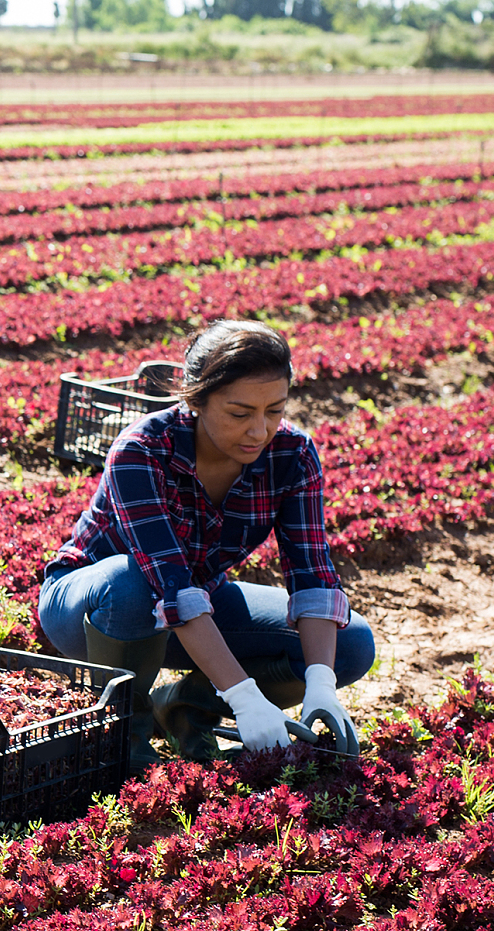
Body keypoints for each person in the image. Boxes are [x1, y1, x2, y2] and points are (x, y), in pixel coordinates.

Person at [37, 320, 375, 766]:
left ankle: (185, 706)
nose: (260, 430)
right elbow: (169, 585)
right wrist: (243, 695)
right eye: (240, 414)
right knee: (132, 583)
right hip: (94, 608)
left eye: (274, 410)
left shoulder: (292, 454)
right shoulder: (143, 450)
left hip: (196, 606)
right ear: (196, 399)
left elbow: (311, 572)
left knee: (349, 643)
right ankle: (123, 737)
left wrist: (320, 685)